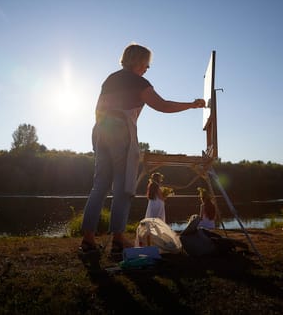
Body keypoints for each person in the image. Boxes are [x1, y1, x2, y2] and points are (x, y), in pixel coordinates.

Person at [79, 43, 206, 257]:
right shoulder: (138, 81)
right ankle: (118, 239)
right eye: (146, 64)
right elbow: (163, 105)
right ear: (138, 61)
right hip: (121, 131)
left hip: (101, 130)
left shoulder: (110, 78)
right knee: (124, 187)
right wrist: (192, 105)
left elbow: (97, 110)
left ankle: (88, 240)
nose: (147, 68)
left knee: (99, 187)